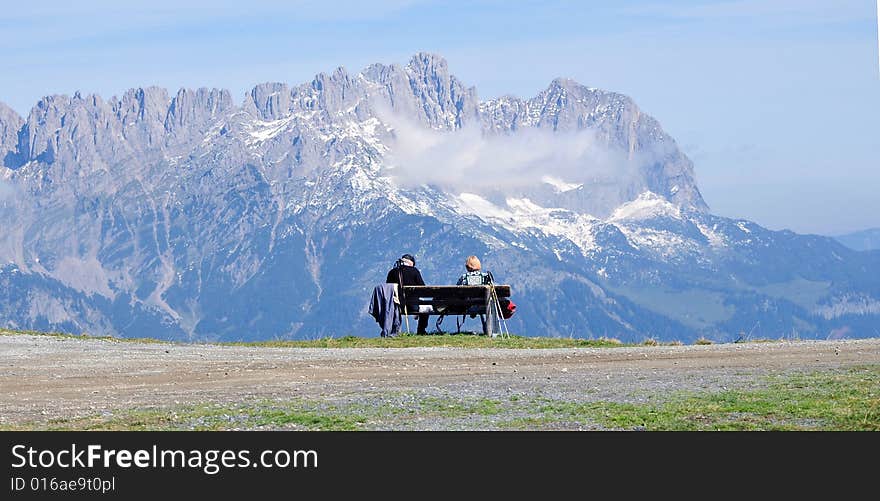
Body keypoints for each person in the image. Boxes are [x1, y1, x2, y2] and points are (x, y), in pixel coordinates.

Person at [386, 253, 429, 334]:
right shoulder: (414, 271)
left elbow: (388, 288)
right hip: (413, 306)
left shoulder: (392, 272)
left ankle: (394, 331)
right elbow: (423, 288)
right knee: (426, 307)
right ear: (410, 263)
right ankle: (421, 330)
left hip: (396, 306)